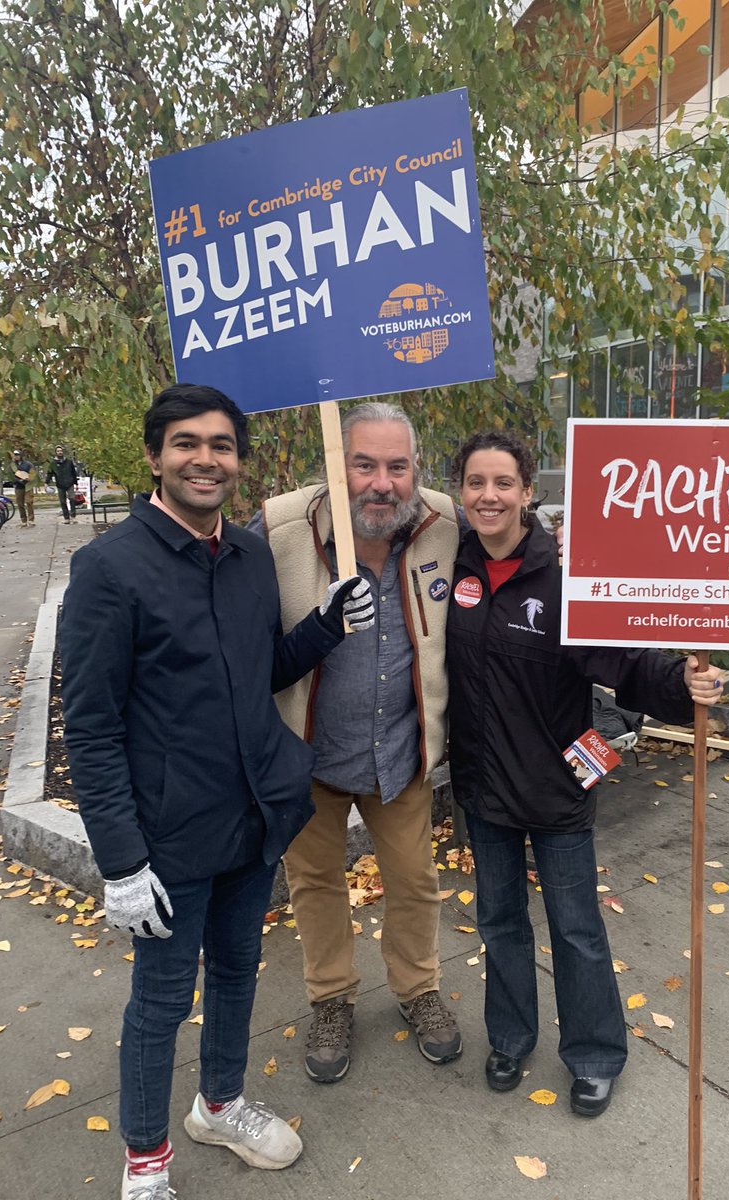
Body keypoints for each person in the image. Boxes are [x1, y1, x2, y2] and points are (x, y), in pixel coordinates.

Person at [60, 384, 375, 1200]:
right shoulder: (107, 569)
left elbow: (260, 672)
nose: (206, 458)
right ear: (154, 457)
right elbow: (90, 731)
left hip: (252, 817)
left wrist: (325, 625)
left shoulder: (247, 556)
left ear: (239, 460)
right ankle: (145, 1162)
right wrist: (122, 862)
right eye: (187, 443)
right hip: (167, 836)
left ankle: (221, 1102)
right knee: (160, 1002)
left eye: (222, 445)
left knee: (237, 970)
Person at [446, 431, 723, 1118]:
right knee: (501, 922)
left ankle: (595, 1053)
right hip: (483, 790)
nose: (489, 495)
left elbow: (625, 663)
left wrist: (682, 681)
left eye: (502, 482)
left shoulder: (567, 577)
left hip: (557, 788)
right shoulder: (449, 569)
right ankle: (510, 1038)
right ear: (460, 491)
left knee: (575, 928)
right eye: (476, 482)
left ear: (527, 491)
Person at [251, 401, 463, 1083]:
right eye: (364, 464)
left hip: (398, 753)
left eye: (397, 466)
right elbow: (242, 637)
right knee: (315, 885)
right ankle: (331, 999)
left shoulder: (443, 525)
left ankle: (417, 987)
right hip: (308, 756)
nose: (381, 482)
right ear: (337, 467)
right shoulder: (281, 529)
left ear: (415, 471)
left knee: (415, 881)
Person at [46, 445, 79, 522]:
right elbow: (50, 473)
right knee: (63, 502)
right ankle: (66, 518)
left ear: (62, 452)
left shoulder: (69, 462)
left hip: (70, 483)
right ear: (55, 453)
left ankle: (73, 516)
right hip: (60, 485)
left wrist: (75, 482)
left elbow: (73, 472)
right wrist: (46, 482)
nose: (60, 452)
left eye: (60, 451)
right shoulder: (53, 463)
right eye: (58, 451)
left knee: (72, 499)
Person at [11, 449, 35, 526]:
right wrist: (19, 481)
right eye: (15, 455)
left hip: (28, 485)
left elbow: (32, 472)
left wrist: (29, 478)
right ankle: (23, 520)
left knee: (29, 502)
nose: (16, 457)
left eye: (17, 455)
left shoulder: (28, 464)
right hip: (18, 486)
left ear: (21, 456)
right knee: (20, 504)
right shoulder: (13, 465)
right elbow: (12, 476)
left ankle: (31, 519)